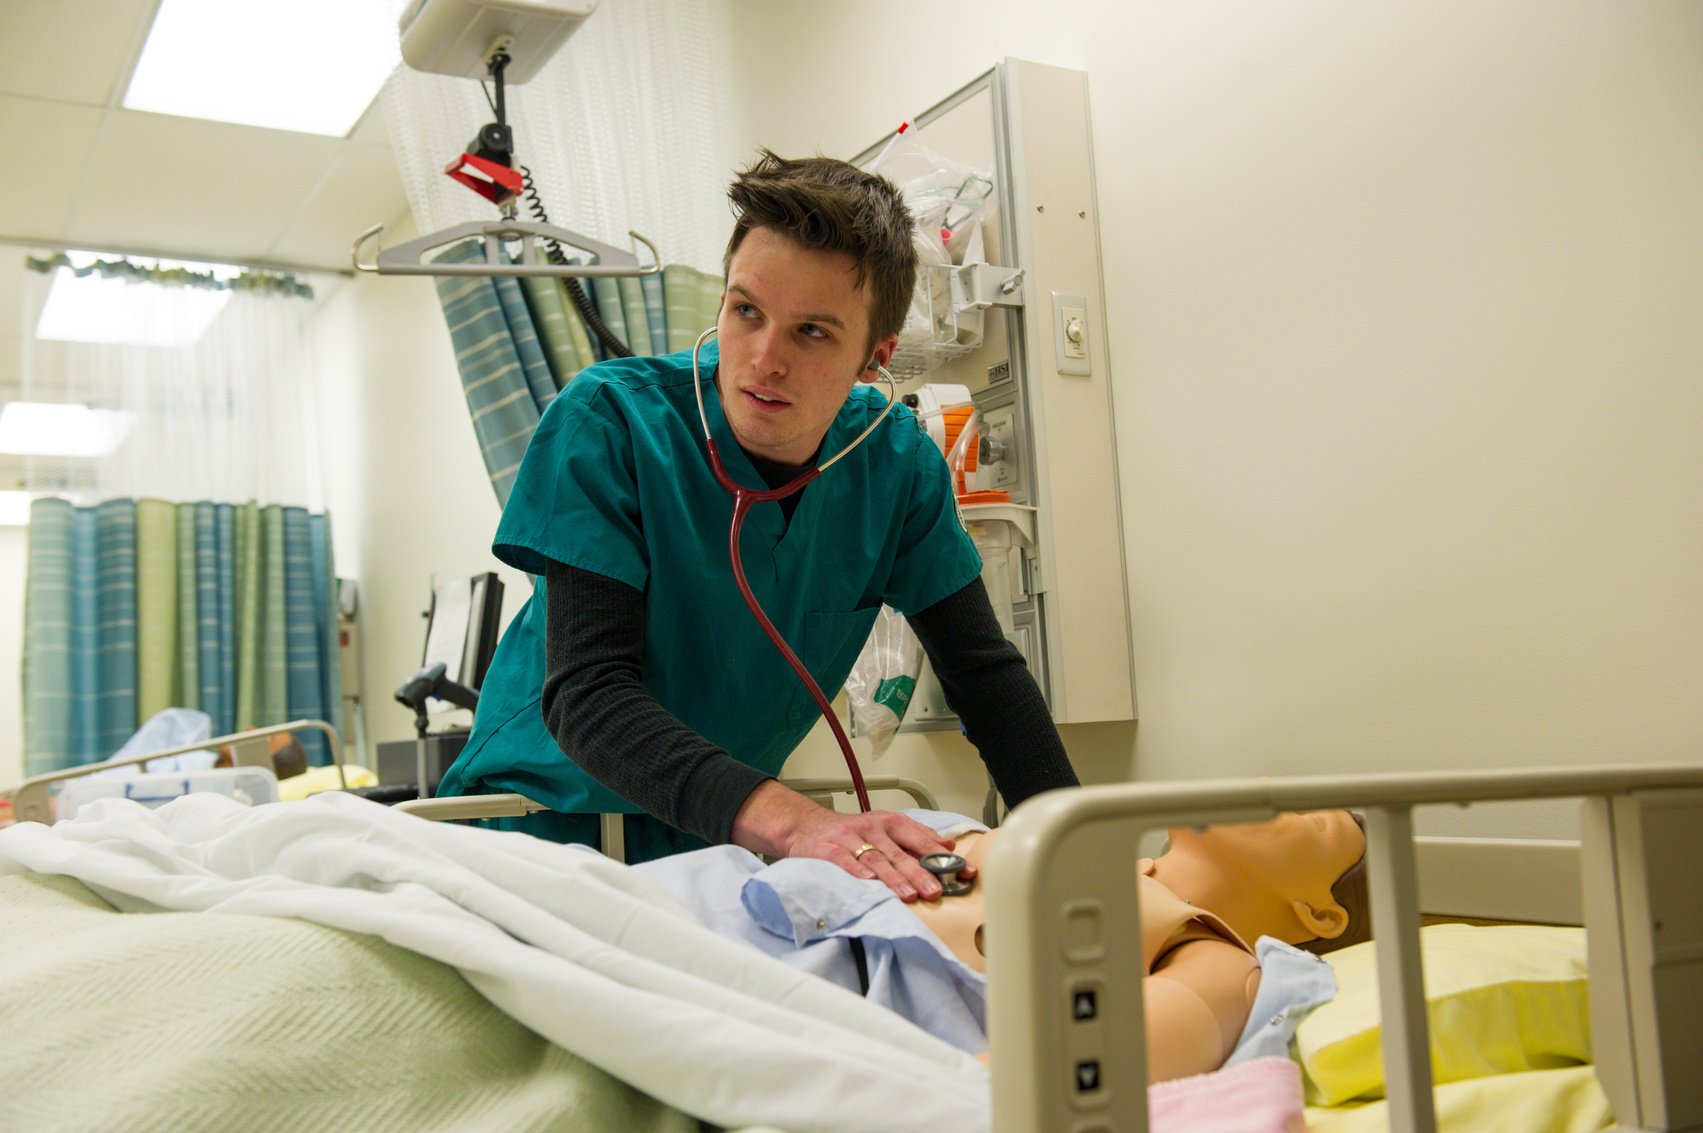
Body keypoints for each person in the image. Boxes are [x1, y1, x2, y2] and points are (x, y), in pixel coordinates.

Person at [437, 150, 1079, 899]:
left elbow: (985, 677)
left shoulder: (895, 465)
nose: (763, 359)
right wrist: (797, 823)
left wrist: (1076, 848)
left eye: (811, 332)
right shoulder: (610, 423)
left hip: (716, 838)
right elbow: (589, 696)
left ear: (876, 358)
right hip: (542, 827)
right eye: (746, 311)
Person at [632, 807, 1369, 1082]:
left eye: (1314, 820)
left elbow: (1053, 1069)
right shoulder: (1058, 830)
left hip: (783, 983)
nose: (1277, 788)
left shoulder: (1214, 958)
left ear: (1320, 913)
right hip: (705, 893)